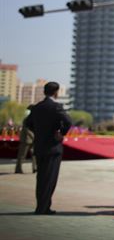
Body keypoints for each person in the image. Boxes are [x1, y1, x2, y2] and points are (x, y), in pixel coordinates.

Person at [24, 82, 71, 215]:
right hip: (53, 148)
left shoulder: (37, 107)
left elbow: (27, 123)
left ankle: (43, 206)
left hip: (39, 147)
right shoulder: (56, 107)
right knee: (50, 178)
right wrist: (61, 133)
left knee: (41, 178)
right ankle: (43, 208)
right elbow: (68, 121)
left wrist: (39, 132)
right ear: (56, 92)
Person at [15, 105, 37, 174]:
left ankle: (35, 168)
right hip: (26, 140)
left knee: (34, 155)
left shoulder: (35, 118)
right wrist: (34, 137)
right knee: (22, 155)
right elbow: (27, 130)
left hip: (33, 140)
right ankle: (18, 169)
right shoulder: (27, 119)